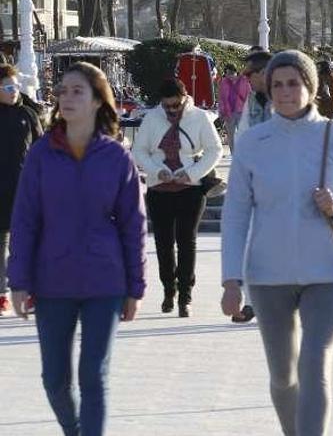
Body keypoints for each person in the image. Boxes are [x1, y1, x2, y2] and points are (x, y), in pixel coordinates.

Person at [220, 50, 333, 436]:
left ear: (311, 86)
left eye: (294, 83)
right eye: (277, 84)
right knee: (283, 375)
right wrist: (230, 280)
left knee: (314, 365)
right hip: (267, 276)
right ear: (267, 89)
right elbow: (236, 214)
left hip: (325, 272)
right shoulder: (254, 141)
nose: (286, 92)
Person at [8, 62, 146, 435]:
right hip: (52, 281)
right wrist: (17, 280)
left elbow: (134, 225)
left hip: (105, 282)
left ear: (98, 101)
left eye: (77, 91)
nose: (66, 98)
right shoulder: (41, 154)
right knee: (54, 379)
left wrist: (136, 287)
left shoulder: (117, 158)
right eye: (63, 90)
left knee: (93, 376)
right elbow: (24, 221)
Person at [132, 78, 222, 318]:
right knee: (163, 243)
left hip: (189, 187)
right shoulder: (153, 118)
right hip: (159, 188)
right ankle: (168, 290)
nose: (171, 110)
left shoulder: (200, 117)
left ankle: (185, 295)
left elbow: (215, 150)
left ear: (185, 98)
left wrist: (191, 173)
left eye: (176, 105)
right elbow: (138, 150)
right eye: (167, 106)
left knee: (186, 241)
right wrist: (155, 170)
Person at [0, 65, 42, 315]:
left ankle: (29, 291)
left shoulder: (28, 114)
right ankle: (1, 294)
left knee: (25, 245)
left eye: (15, 86)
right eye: (7, 87)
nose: (13, 91)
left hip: (24, 191)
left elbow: (41, 151)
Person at [236, 50, 273, 140]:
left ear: (263, 73)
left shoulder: (285, 100)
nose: (247, 79)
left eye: (249, 74)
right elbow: (242, 135)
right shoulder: (251, 99)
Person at [218, 63, 250, 154]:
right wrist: (221, 112)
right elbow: (221, 98)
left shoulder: (244, 81)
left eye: (232, 73)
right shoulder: (223, 82)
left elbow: (249, 95)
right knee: (231, 135)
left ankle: (244, 153)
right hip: (229, 113)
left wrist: (249, 110)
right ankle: (234, 154)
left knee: (243, 134)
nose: (230, 76)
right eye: (228, 73)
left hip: (241, 111)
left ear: (236, 72)